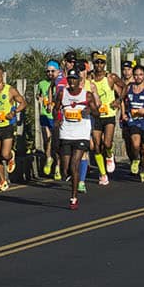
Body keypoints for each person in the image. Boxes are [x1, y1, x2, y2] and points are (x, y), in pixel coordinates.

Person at [56, 70, 96, 208]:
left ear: (80, 81)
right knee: (65, 169)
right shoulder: (62, 94)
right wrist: (58, 119)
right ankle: (71, 176)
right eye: (70, 79)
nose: (72, 82)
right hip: (66, 133)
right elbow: (56, 108)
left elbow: (96, 111)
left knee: (74, 164)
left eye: (75, 79)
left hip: (81, 134)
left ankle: (73, 198)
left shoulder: (87, 95)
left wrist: (89, 111)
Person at [0, 65, 26, 191]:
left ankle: (10, 157)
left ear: (2, 75)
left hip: (7, 126)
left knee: (4, 154)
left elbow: (23, 103)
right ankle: (2, 180)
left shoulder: (10, 90)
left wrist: (14, 112)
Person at [121, 62, 144, 181]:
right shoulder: (129, 87)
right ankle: (136, 159)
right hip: (133, 120)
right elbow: (121, 99)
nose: (138, 77)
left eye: (141, 75)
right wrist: (123, 113)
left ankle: (143, 169)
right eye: (136, 75)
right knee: (135, 143)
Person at [87, 53, 120, 182]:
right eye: (96, 63)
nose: (99, 65)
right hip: (96, 115)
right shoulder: (90, 78)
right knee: (96, 144)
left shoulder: (110, 77)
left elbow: (123, 87)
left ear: (105, 64)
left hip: (109, 114)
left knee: (106, 143)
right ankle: (102, 173)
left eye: (101, 63)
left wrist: (119, 100)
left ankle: (109, 154)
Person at [36, 61, 60, 178]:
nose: (50, 73)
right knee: (47, 140)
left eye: (53, 71)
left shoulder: (61, 83)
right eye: (48, 71)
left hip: (57, 117)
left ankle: (58, 167)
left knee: (57, 142)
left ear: (58, 71)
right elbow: (38, 95)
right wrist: (40, 98)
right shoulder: (41, 83)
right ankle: (49, 158)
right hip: (45, 115)